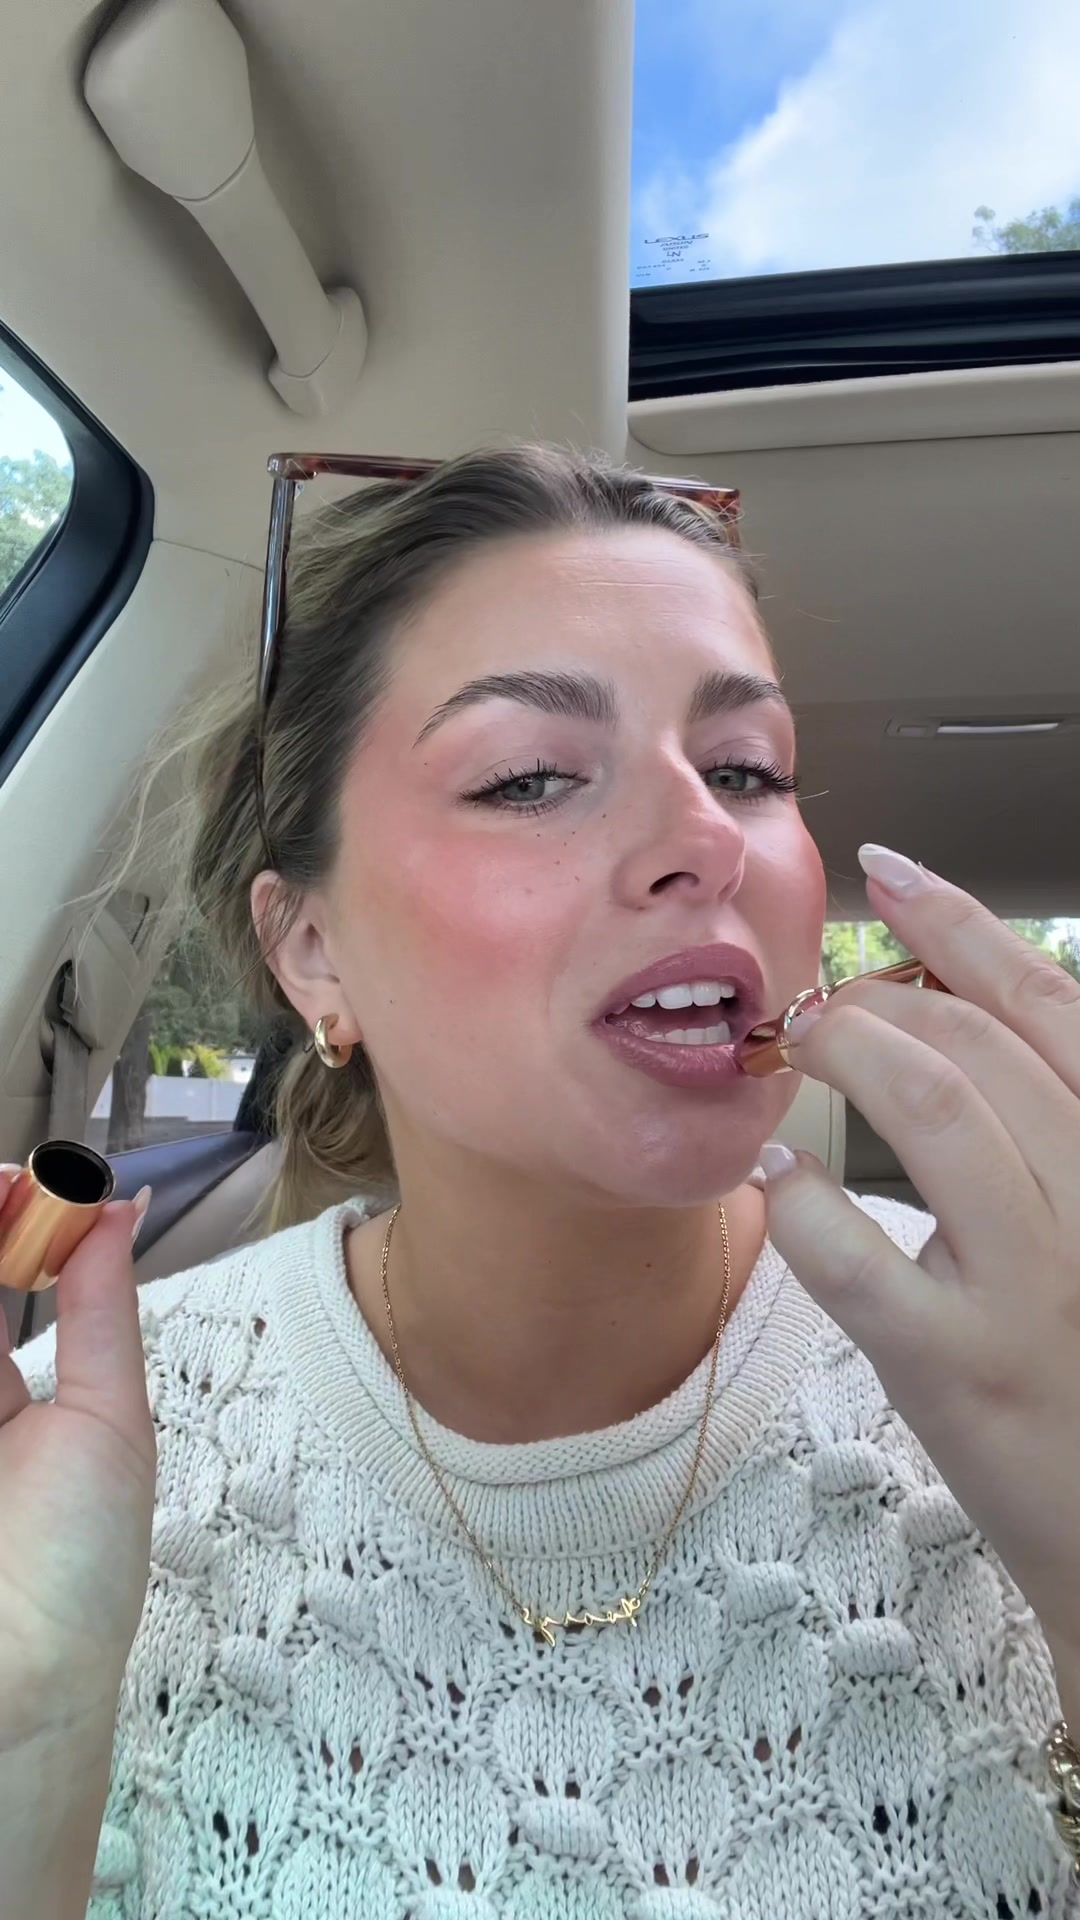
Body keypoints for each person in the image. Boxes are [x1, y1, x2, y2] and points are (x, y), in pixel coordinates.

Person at [3, 445, 1080, 1920]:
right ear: (311, 949)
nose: (706, 837)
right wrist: (36, 1757)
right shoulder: (68, 1465)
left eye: (749, 769)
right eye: (527, 778)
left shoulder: (1043, 1366)